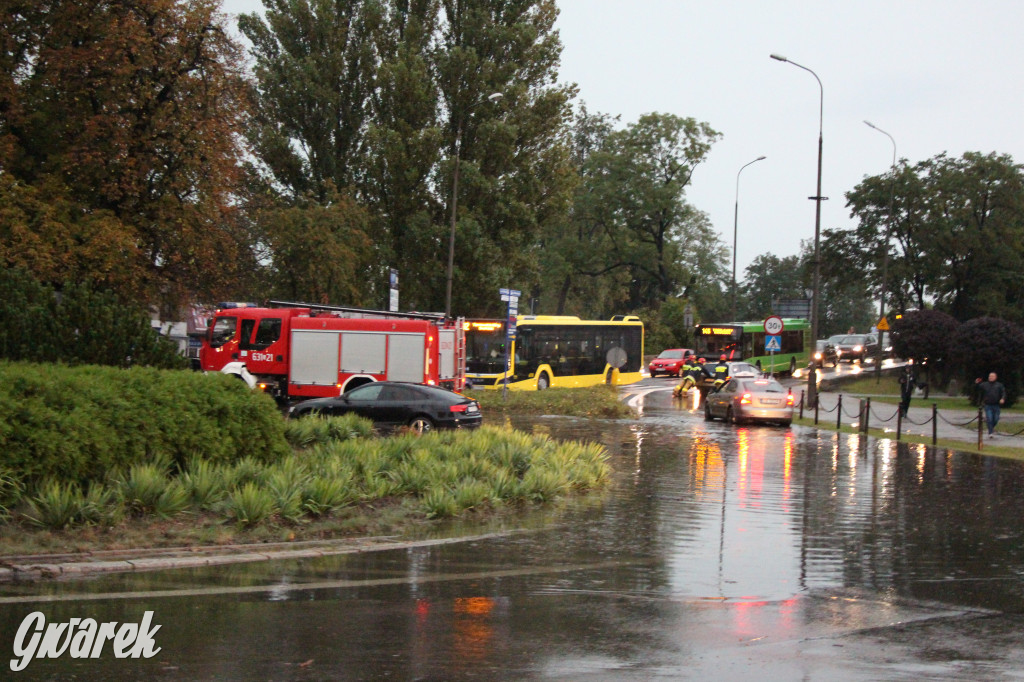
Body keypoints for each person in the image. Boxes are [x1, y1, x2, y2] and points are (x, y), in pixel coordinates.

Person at [976, 372, 1006, 438]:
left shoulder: (999, 385)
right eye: (990, 376)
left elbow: (1003, 392)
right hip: (988, 405)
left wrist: (1002, 398)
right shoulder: (985, 384)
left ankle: (990, 427)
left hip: (996, 405)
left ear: (995, 377)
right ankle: (990, 432)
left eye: (992, 376)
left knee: (996, 418)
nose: (990, 377)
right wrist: (977, 382)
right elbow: (978, 387)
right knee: (989, 418)